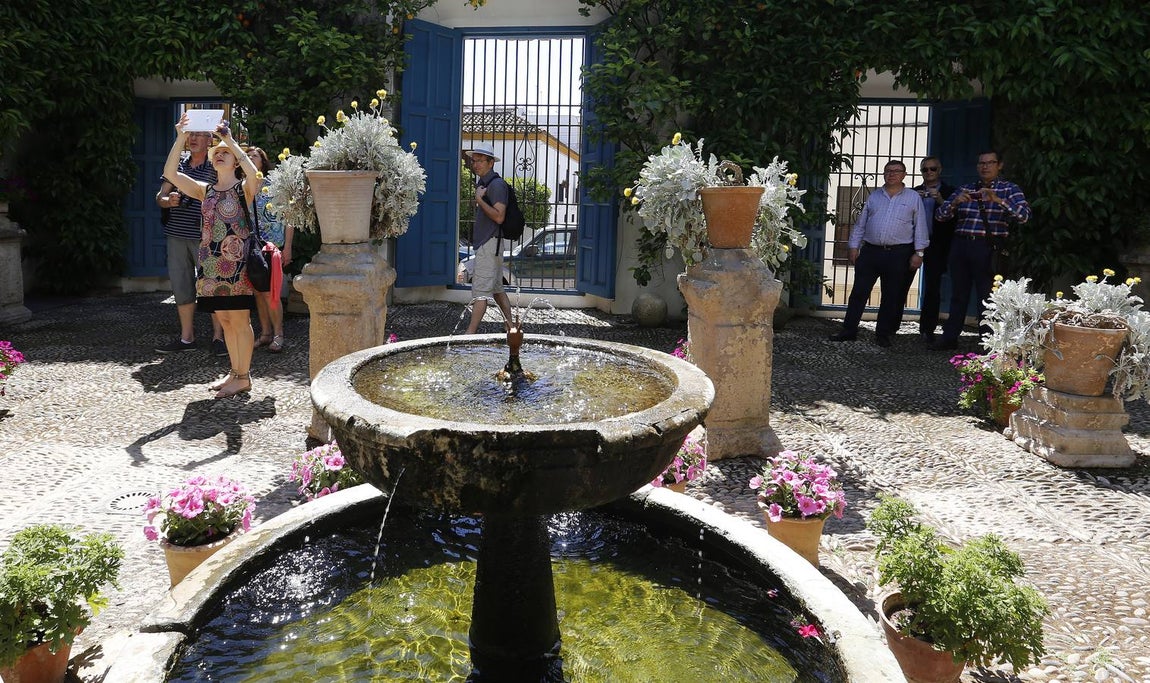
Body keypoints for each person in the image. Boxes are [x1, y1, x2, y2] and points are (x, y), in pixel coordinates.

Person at [162, 114, 261, 398]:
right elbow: (171, 174)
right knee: (227, 321)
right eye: (217, 153)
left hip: (237, 267)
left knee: (240, 321)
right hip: (212, 268)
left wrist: (230, 141)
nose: (219, 156)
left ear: (234, 162)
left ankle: (243, 376)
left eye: (225, 154)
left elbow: (255, 174)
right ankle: (234, 372)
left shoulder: (243, 190)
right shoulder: (204, 191)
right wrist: (180, 136)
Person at [931, 150, 1031, 350]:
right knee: (958, 293)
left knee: (988, 296)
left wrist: (999, 201)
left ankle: (987, 342)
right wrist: (954, 203)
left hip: (988, 247)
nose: (985, 167)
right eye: (981, 163)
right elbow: (940, 216)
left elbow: (1024, 216)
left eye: (990, 163)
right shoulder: (966, 188)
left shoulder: (1009, 189)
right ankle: (949, 337)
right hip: (961, 244)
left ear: (999, 165)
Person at [829, 159, 929, 348]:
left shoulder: (913, 197)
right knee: (859, 292)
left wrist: (919, 253)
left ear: (904, 175)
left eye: (896, 171)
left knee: (891, 295)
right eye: (888, 171)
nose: (891, 174)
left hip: (899, 253)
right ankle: (849, 330)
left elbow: (920, 226)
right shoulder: (874, 196)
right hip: (871, 252)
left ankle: (883, 334)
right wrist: (853, 246)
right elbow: (861, 223)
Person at [154, 129, 227, 357]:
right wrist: (169, 201)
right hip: (176, 236)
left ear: (209, 140)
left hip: (206, 238)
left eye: (199, 135)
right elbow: (160, 197)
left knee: (211, 287)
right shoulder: (179, 164)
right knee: (182, 286)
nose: (193, 139)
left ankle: (218, 339)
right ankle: (187, 338)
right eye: (190, 134)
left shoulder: (215, 166)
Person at [898, 156, 955, 344]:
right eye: (925, 169)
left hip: (937, 245)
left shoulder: (951, 192)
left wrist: (941, 201)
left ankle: (927, 329)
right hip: (911, 244)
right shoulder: (913, 193)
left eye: (933, 169)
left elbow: (957, 219)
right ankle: (891, 326)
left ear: (940, 170)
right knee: (900, 284)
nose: (929, 172)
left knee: (932, 287)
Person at [246, 146, 292, 354]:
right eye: (246, 156)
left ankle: (278, 334)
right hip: (251, 246)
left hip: (273, 246)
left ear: (263, 162)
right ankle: (265, 333)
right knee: (258, 292)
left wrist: (288, 248)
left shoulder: (275, 186)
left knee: (271, 293)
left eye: (254, 155)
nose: (250, 158)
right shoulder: (243, 187)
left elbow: (289, 217)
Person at [463, 143, 513, 334]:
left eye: (480, 160)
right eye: (473, 160)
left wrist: (479, 200)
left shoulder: (496, 185)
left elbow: (499, 216)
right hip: (492, 244)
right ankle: (510, 328)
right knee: (497, 289)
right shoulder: (485, 183)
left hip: (489, 244)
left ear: (491, 162)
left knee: (480, 292)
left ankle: (469, 334)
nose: (475, 164)